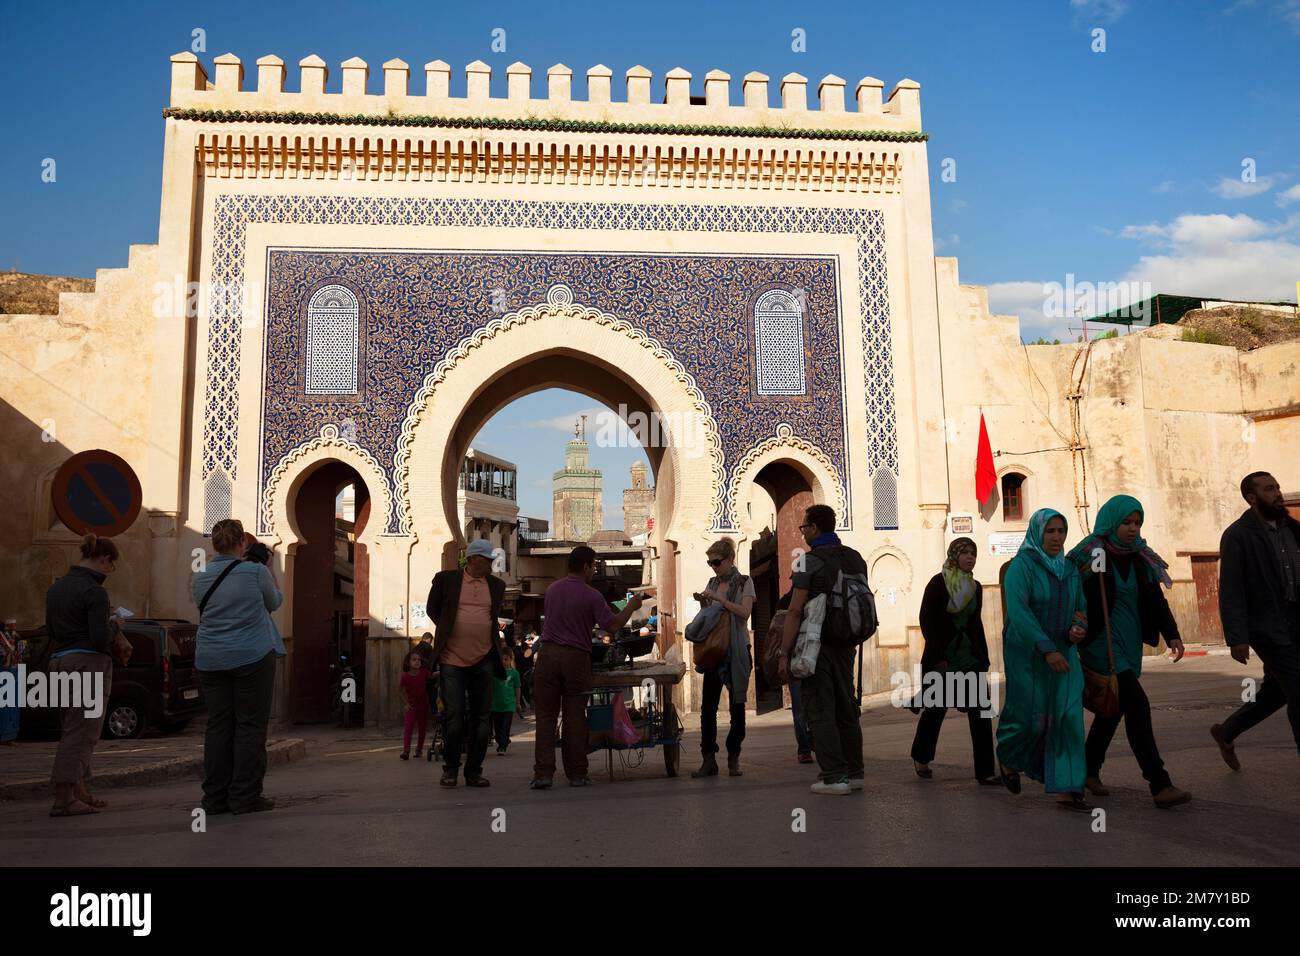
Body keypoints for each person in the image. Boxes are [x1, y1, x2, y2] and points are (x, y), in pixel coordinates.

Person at [1067, 495, 1192, 809]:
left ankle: (1087, 769)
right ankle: (1159, 783)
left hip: (1129, 640)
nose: (1132, 528)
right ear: (1111, 521)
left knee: (1113, 708)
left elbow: (1155, 600)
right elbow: (1070, 591)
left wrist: (1172, 633)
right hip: (1100, 643)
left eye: (1137, 523)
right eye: (1126, 522)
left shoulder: (1140, 557)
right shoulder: (1092, 552)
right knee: (1137, 704)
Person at [995, 508, 1092, 811]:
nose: (1056, 537)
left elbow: (1080, 606)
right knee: (1030, 718)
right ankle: (1009, 757)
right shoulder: (1021, 568)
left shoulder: (1070, 569)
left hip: (1064, 653)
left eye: (1061, 531)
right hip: (1027, 654)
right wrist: (1046, 649)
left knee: (1069, 717)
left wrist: (1079, 626)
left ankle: (1069, 786)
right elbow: (1020, 615)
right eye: (1050, 531)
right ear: (1038, 533)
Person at [191, 519, 285, 815]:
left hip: (209, 658)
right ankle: (244, 796)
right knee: (250, 726)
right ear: (241, 543)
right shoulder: (255, 571)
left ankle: (214, 798)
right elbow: (275, 601)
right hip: (252, 656)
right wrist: (269, 567)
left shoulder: (200, 575)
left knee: (218, 726)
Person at [530, 546, 643, 789]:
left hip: (547, 656)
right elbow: (612, 626)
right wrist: (632, 606)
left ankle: (543, 774)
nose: (593, 571)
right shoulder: (591, 595)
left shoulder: (552, 590)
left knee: (546, 717)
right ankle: (577, 774)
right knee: (574, 717)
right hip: (575, 658)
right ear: (585, 567)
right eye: (592, 566)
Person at [1211, 472, 1300, 772]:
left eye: (1277, 487)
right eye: (1269, 489)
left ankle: (1226, 732)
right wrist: (1237, 637)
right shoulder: (1238, 535)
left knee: (1277, 692)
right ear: (1252, 497)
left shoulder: (1293, 529)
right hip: (1268, 628)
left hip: (1296, 623)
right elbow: (1231, 589)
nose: (1278, 493)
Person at [776, 504, 867, 795]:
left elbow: (793, 611)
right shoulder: (854, 558)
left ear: (814, 528)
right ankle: (855, 773)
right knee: (846, 706)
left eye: (804, 527)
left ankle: (834, 776)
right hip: (848, 643)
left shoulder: (807, 562)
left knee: (820, 709)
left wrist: (783, 653)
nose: (803, 533)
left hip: (816, 647)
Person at [46, 534, 131, 816]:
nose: (109, 571)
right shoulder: (94, 592)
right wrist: (114, 625)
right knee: (82, 733)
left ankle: (78, 789)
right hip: (87, 664)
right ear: (104, 559)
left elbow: (52, 631)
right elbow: (98, 638)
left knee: (71, 728)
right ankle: (64, 798)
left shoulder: (57, 589)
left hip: (59, 662)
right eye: (111, 565)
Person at [910, 537, 998, 785]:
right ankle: (921, 756)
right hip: (943, 658)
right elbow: (927, 621)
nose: (970, 557)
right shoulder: (938, 584)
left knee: (981, 713)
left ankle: (985, 771)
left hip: (970, 657)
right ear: (954, 555)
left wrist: (984, 657)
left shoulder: (976, 587)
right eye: (965, 553)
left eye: (974, 553)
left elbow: (975, 623)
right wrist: (939, 657)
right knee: (936, 710)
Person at [426, 538, 509, 788]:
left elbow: (491, 616)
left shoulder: (497, 586)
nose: (491, 565)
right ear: (473, 559)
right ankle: (450, 769)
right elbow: (433, 610)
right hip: (452, 658)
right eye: (487, 561)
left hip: (483, 658)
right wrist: (451, 629)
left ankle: (474, 771)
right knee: (454, 716)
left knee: (482, 719)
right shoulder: (446, 580)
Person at [689, 536, 755, 778]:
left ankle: (733, 755)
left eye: (717, 562)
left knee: (738, 708)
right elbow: (709, 616)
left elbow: (744, 613)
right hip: (714, 650)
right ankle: (709, 759)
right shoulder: (712, 583)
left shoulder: (745, 583)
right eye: (710, 563)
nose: (714, 567)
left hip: (737, 650)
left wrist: (719, 600)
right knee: (708, 708)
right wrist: (704, 603)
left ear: (730, 559)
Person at [491, 639, 522, 755]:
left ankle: (502, 746)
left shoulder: (514, 673)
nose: (504, 662)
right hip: (495, 705)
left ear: (510, 659)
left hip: (509, 705)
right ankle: (502, 740)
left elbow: (517, 688)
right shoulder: (494, 673)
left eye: (506, 659)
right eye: (502, 659)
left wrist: (518, 702)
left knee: (505, 726)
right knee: (498, 728)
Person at [399, 650, 431, 760]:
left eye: (419, 660)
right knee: (408, 728)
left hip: (423, 705)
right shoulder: (405, 677)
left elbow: (431, 677)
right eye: (414, 659)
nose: (417, 662)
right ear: (408, 663)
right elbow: (400, 691)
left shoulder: (424, 673)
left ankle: (419, 750)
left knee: (422, 728)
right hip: (411, 707)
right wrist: (406, 703)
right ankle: (406, 751)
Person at [0, 619, 19, 745]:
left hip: (7, 671)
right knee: (9, 704)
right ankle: (8, 734)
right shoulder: (12, 637)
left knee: (7, 705)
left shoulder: (8, 638)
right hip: (11, 671)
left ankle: (7, 734)